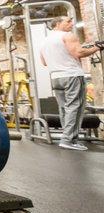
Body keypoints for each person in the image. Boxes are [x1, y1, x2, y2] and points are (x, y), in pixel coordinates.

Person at [39, 16, 102, 151]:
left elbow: (44, 62)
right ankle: (68, 140)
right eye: (68, 21)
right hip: (72, 76)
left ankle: (67, 137)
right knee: (75, 107)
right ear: (57, 24)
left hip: (56, 77)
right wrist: (96, 48)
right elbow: (78, 52)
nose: (71, 24)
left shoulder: (45, 41)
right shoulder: (67, 35)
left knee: (64, 108)